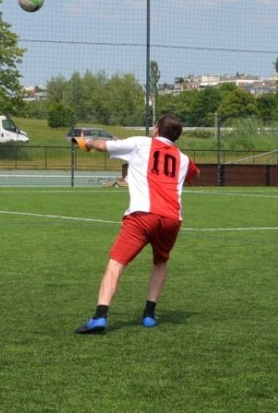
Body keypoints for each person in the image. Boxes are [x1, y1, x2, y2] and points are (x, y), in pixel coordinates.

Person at [72, 113, 201, 334]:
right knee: (160, 262)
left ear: (157, 130)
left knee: (116, 264)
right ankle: (149, 315)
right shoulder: (184, 158)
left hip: (142, 215)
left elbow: (104, 145)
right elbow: (194, 175)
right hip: (172, 219)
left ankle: (99, 317)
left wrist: (87, 142)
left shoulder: (141, 143)